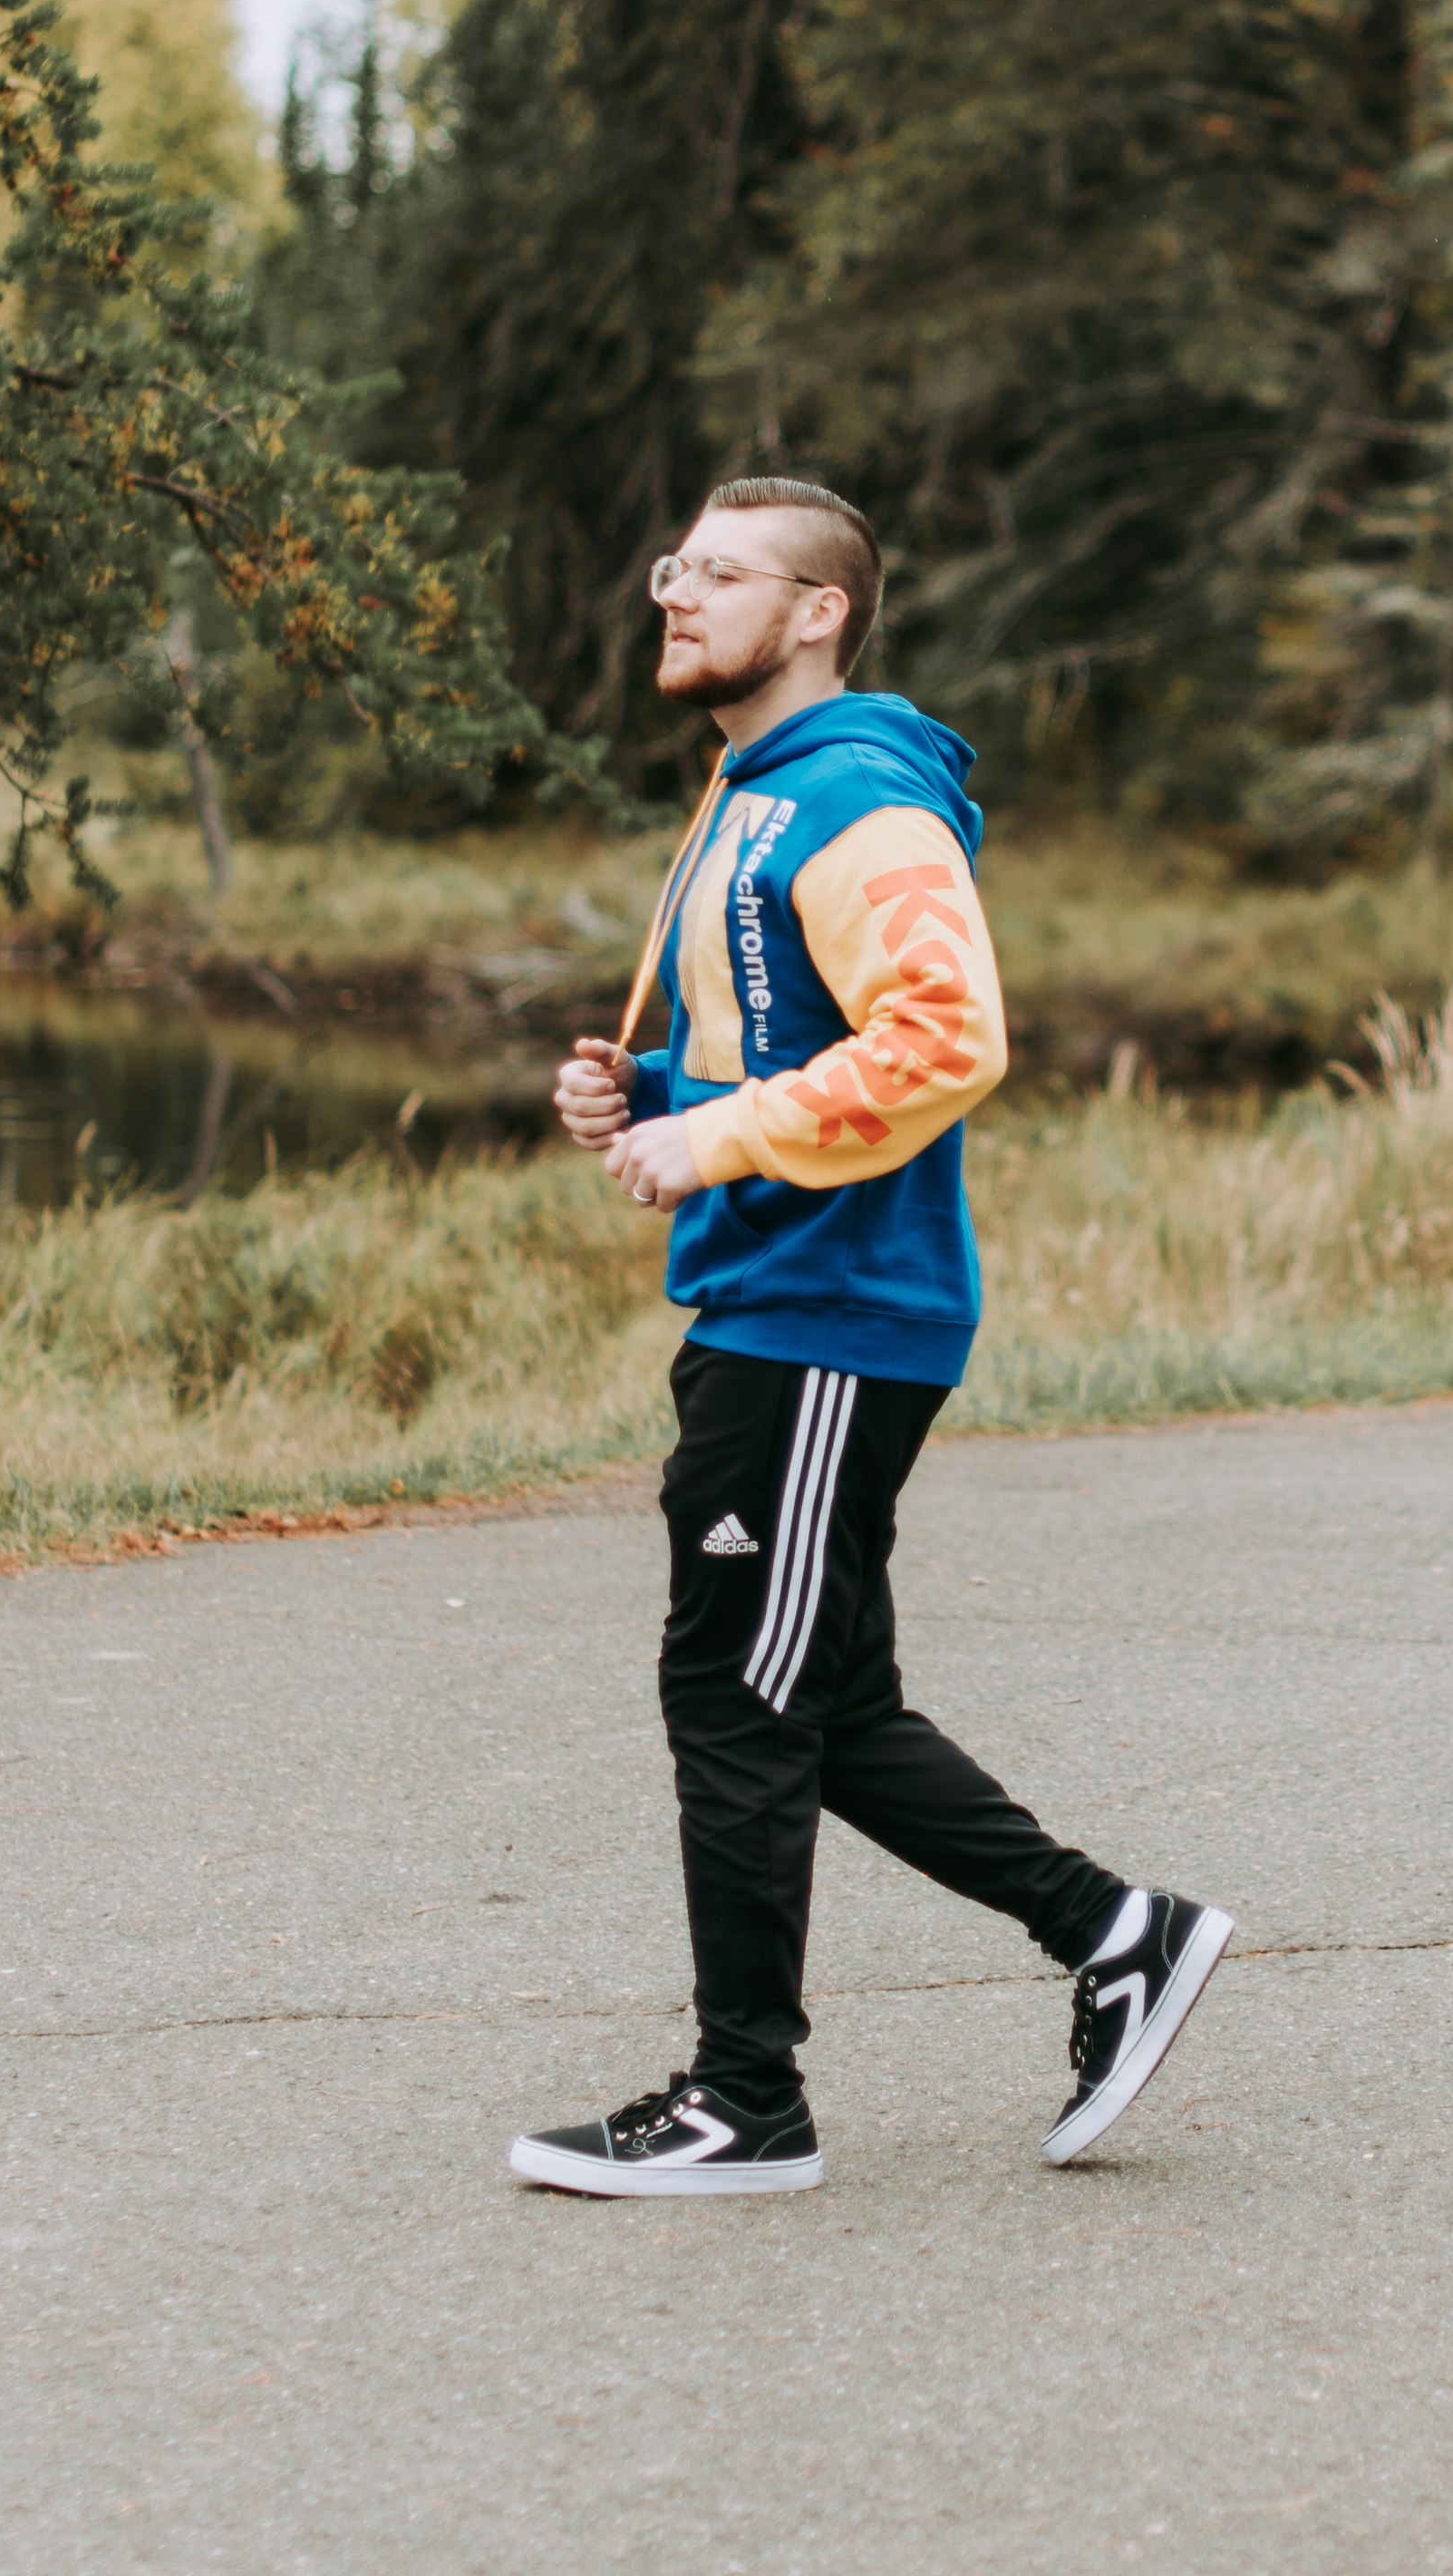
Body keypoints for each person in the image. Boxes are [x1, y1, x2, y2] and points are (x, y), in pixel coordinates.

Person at [509, 475, 1232, 2200]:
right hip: (778, 1298)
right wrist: (659, 1092)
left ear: (820, 611)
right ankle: (1116, 1932)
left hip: (831, 1312)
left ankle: (745, 2101)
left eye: (725, 575)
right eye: (673, 564)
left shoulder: (854, 796)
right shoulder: (747, 795)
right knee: (816, 1692)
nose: (677, 596)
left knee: (737, 1689)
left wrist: (718, 1140)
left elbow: (947, 1037)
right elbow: (791, 1037)